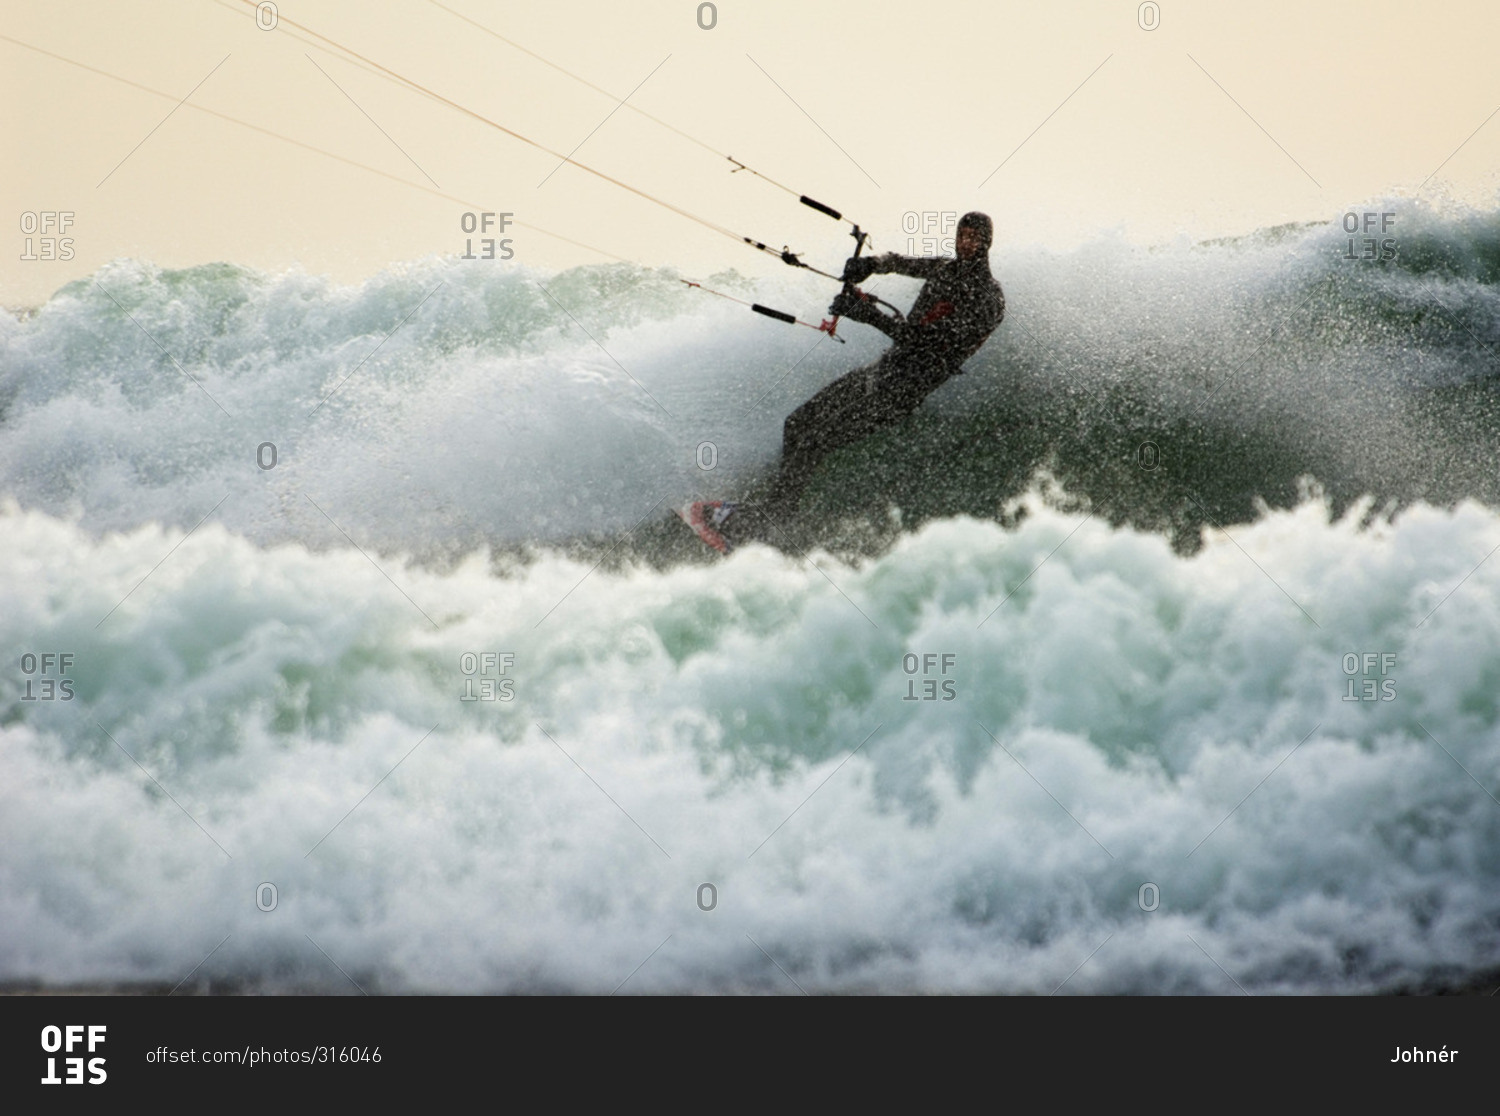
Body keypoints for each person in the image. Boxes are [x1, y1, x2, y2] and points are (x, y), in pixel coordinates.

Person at [722, 211, 1003, 542]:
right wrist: (871, 263)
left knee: (815, 442)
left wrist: (868, 315)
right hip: (883, 369)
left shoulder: (987, 297)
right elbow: (900, 262)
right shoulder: (944, 269)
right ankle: (776, 510)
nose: (965, 243)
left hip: (901, 392)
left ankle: (772, 521)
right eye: (961, 235)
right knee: (796, 423)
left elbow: (927, 345)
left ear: (987, 242)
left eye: (973, 237)